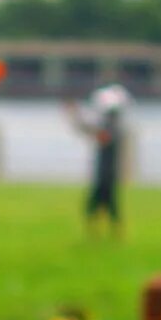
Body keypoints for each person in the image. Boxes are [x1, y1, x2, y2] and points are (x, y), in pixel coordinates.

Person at [66, 84, 131, 238]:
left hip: (106, 175)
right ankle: (105, 234)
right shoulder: (113, 127)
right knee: (106, 207)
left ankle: (104, 234)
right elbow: (92, 131)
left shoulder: (112, 129)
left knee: (99, 206)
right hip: (105, 174)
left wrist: (76, 117)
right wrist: (76, 117)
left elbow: (97, 134)